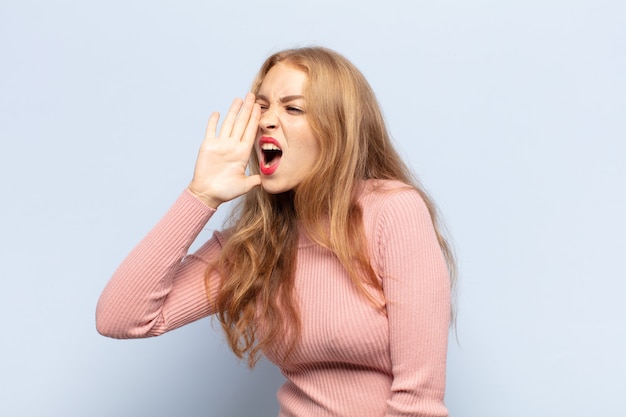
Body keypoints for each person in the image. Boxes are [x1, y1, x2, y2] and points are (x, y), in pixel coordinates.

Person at [96, 46, 456, 417]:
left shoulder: (392, 211)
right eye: (262, 107)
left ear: (338, 129)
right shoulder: (254, 245)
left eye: (293, 108)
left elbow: (418, 404)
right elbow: (120, 318)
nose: (266, 121)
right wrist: (199, 195)